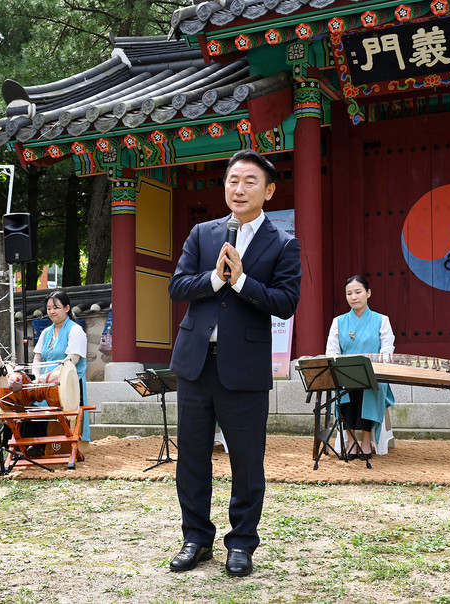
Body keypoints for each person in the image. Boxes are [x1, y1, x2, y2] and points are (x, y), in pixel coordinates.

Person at [167, 149, 302, 577]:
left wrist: (242, 281)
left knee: (246, 462)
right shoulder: (203, 233)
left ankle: (241, 543)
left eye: (249, 181)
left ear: (269, 191)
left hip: (243, 368)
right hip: (196, 364)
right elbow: (177, 287)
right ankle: (196, 539)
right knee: (191, 458)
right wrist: (214, 278)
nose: (238, 189)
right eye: (232, 180)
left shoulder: (283, 243)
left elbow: (286, 302)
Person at [325, 275, 395, 459]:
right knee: (345, 390)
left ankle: (365, 440)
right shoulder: (338, 322)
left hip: (373, 375)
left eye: (358, 292)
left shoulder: (382, 320)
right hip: (346, 374)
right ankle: (350, 441)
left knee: (368, 390)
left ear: (368, 293)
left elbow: (387, 351)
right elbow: (332, 351)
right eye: (349, 293)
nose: (353, 297)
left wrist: (375, 365)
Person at [31, 290, 90, 442]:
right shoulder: (46, 332)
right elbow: (37, 358)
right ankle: (28, 445)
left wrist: (47, 378)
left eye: (56, 307)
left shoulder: (75, 330)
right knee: (25, 406)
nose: (51, 311)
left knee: (43, 409)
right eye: (49, 308)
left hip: (67, 385)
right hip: (44, 385)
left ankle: (43, 445)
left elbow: (72, 360)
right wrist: (37, 378)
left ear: (67, 308)